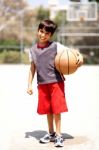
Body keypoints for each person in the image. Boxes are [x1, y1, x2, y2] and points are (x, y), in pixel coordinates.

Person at [27, 19, 83, 147]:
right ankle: (51, 133)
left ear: (51, 35)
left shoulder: (56, 46)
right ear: (38, 31)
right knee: (48, 110)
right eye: (41, 31)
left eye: (47, 33)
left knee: (57, 110)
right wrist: (29, 84)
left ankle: (59, 135)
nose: (43, 35)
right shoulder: (33, 50)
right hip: (42, 84)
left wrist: (80, 57)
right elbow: (32, 68)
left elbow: (74, 53)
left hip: (56, 83)